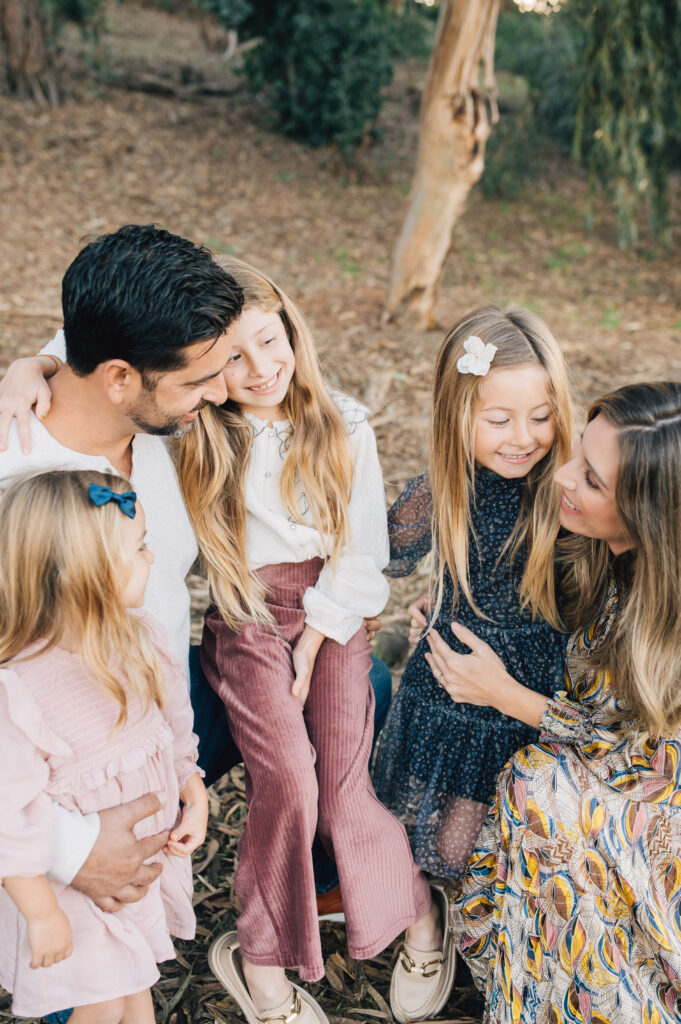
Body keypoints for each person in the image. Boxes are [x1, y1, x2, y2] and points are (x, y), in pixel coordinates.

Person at [0, 226, 391, 931]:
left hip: (165, 715)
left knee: (360, 683)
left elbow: (90, 330)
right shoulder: (15, 486)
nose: (220, 392)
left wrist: (37, 359)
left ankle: (327, 880)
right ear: (120, 378)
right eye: (199, 379)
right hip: (57, 765)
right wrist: (69, 849)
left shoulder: (167, 430)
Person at [173, 256, 453, 1024]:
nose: (260, 369)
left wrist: (319, 635)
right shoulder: (195, 433)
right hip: (247, 615)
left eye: (269, 341)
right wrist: (36, 366)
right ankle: (261, 964)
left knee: (342, 787)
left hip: (336, 609)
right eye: (232, 357)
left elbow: (362, 550)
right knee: (288, 781)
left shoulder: (343, 423)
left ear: (291, 327)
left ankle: (419, 917)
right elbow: (105, 346)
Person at [427, 382, 681, 1023]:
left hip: (659, 798)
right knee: (529, 781)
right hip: (604, 761)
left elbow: (645, 766)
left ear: (647, 516)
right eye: (578, 454)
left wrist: (506, 696)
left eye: (591, 480)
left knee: (541, 793)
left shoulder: (669, 620)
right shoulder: (605, 553)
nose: (563, 475)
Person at [373, 307, 573, 885]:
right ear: (458, 415)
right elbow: (385, 556)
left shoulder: (566, 496)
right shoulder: (443, 489)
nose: (523, 438)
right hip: (450, 687)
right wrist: (432, 602)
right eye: (500, 420)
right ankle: (425, 918)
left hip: (526, 692)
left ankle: (474, 916)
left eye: (541, 417)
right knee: (433, 840)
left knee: (483, 840)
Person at [0, 470, 208, 1023]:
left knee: (136, 986)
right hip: (68, 892)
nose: (152, 559)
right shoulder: (21, 689)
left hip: (135, 859)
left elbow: (173, 722)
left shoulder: (141, 637)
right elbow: (9, 815)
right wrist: (41, 913)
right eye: (139, 548)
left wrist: (192, 784)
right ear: (87, 575)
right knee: (101, 1003)